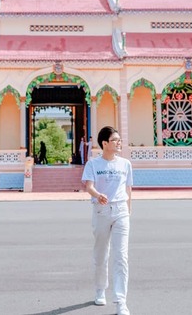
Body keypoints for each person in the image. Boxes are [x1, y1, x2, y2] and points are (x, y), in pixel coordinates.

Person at [81, 126, 133, 315]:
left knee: (121, 257)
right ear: (104, 144)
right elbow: (89, 186)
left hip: (120, 211)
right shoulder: (93, 164)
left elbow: (128, 189)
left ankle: (121, 301)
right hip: (101, 211)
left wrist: (128, 211)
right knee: (101, 255)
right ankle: (100, 289)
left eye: (120, 140)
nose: (119, 143)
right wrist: (98, 195)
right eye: (115, 140)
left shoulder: (125, 164)